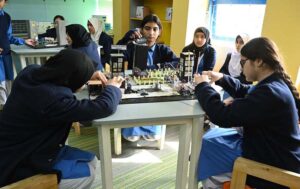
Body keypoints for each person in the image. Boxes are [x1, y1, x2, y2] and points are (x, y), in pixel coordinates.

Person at [0, 49, 123, 188]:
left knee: (92, 160)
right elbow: (104, 107)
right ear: (71, 79)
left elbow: (64, 70)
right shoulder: (54, 101)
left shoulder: (29, 72)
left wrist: (86, 74)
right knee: (88, 173)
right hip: (18, 163)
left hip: (21, 147)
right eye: (82, 81)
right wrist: (113, 88)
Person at [194, 37, 300, 189]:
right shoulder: (275, 84)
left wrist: (203, 86)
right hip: (274, 156)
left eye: (243, 62)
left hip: (271, 170)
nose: (241, 67)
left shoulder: (270, 92)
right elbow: (247, 91)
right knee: (212, 142)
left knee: (210, 168)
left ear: (258, 62)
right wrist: (222, 78)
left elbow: (222, 115)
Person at [117, 14, 178, 142]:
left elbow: (177, 62)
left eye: (155, 29)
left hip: (154, 87)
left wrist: (154, 67)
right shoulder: (133, 47)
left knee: (154, 103)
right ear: (141, 30)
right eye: (147, 28)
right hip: (135, 86)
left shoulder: (163, 49)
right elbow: (116, 54)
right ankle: (132, 129)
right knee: (134, 102)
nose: (151, 33)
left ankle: (152, 129)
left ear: (159, 32)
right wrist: (124, 39)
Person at [0, 0, 35, 110]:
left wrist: (24, 41)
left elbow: (9, 37)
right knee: (0, 83)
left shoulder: (6, 17)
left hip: (6, 54)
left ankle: (8, 109)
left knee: (9, 81)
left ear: (5, 2)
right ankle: (3, 109)